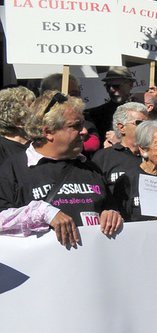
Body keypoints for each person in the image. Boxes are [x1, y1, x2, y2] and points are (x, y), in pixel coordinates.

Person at [0, 91, 123, 248]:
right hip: (44, 268)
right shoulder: (13, 169)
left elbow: (109, 208)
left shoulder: (90, 167)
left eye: (83, 124)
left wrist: (112, 214)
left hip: (93, 265)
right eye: (75, 126)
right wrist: (43, 212)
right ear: (48, 132)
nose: (85, 131)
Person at [39, 73, 101, 156]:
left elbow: (93, 144)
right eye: (73, 94)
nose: (78, 99)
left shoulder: (87, 123)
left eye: (78, 94)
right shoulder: (36, 124)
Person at [92, 102, 148, 192]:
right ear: (121, 128)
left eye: (148, 124)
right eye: (139, 123)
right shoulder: (103, 158)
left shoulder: (154, 155)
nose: (145, 128)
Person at [85, 66, 137, 140]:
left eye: (116, 86)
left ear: (130, 85)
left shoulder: (143, 111)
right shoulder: (95, 115)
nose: (111, 90)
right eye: (108, 86)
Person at [0, 86, 35, 164]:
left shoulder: (37, 143)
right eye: (31, 108)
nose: (37, 113)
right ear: (17, 118)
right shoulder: (3, 148)